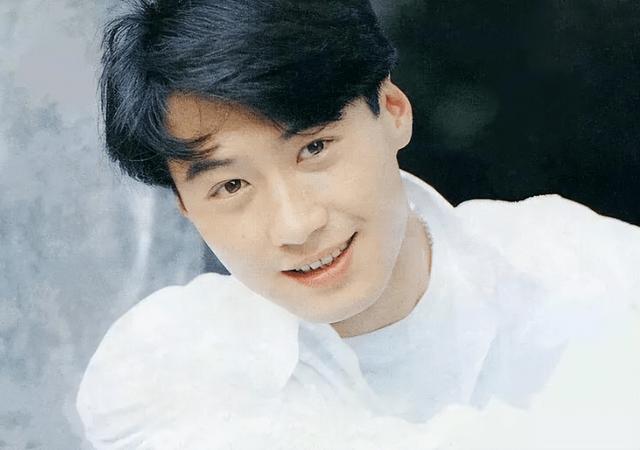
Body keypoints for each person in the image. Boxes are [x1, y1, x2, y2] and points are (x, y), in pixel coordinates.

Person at [77, 0, 640, 448]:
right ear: (185, 207)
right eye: (232, 186)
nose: (296, 226)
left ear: (393, 109)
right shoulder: (165, 363)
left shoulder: (585, 267)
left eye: (314, 148)